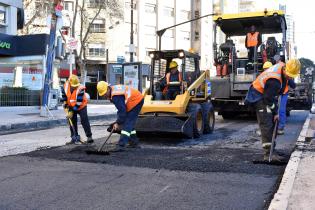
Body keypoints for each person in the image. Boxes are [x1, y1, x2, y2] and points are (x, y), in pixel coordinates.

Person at [245, 59, 301, 162]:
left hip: (266, 95)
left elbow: (288, 82)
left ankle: (272, 150)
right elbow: (267, 99)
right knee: (267, 123)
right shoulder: (274, 81)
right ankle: (268, 154)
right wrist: (275, 112)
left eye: (291, 76)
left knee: (274, 121)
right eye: (288, 75)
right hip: (258, 96)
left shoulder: (284, 68)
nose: (289, 77)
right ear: (285, 69)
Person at [97, 81, 144, 151]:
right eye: (102, 95)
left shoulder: (116, 96)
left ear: (108, 88)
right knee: (129, 123)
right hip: (134, 100)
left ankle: (121, 145)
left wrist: (118, 122)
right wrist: (117, 121)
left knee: (127, 123)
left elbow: (122, 111)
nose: (104, 96)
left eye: (104, 93)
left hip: (136, 101)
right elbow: (121, 110)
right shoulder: (113, 92)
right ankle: (134, 143)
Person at [61, 75, 93, 144]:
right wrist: (65, 103)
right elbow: (64, 96)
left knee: (84, 119)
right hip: (71, 105)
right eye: (73, 86)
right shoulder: (65, 86)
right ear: (70, 83)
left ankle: (89, 137)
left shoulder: (80, 89)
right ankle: (74, 137)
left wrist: (72, 112)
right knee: (72, 121)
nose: (75, 87)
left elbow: (78, 103)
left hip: (81, 105)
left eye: (76, 85)